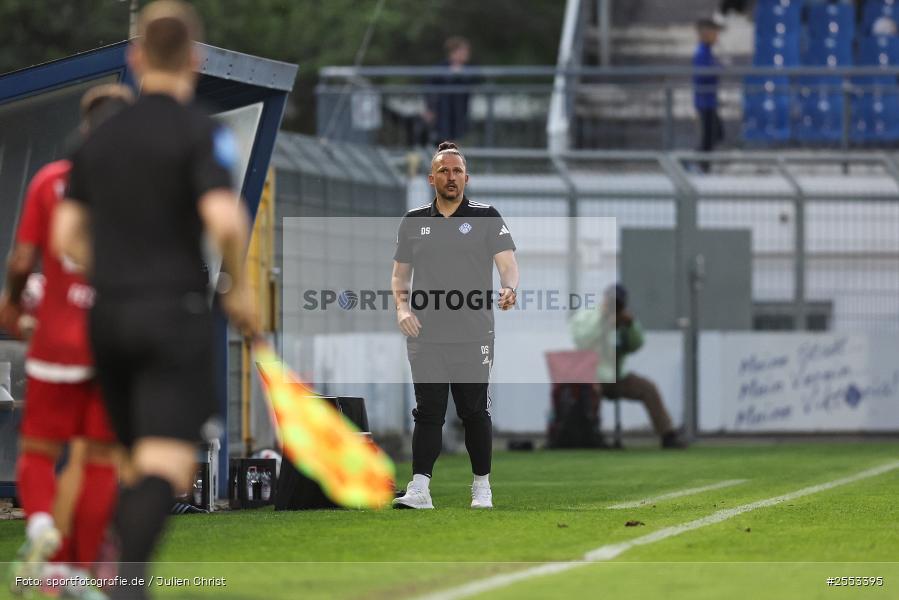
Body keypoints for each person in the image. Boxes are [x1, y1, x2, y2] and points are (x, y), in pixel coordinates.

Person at [52, 2, 258, 597]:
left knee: (132, 459)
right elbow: (224, 218)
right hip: (173, 315)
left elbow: (67, 237)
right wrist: (238, 285)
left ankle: (103, 575)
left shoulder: (96, 138)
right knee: (166, 465)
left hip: (109, 316)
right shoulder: (201, 132)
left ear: (135, 58)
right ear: (195, 60)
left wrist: (115, 268)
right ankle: (119, 583)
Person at [0, 83, 134, 598]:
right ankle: (80, 569)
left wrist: (12, 302)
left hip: (55, 338)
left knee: (37, 450)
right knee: (99, 459)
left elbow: (20, 260)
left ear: (84, 127)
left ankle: (40, 535)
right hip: (111, 342)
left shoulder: (52, 180)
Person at [392, 141, 519, 510]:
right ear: (432, 178)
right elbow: (400, 276)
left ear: (467, 177)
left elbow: (507, 263)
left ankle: (482, 487)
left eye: (457, 171)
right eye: (444, 171)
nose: (451, 177)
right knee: (428, 411)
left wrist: (510, 287)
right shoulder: (414, 221)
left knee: (473, 411)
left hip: (473, 332)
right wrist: (402, 310)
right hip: (425, 332)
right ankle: (419, 489)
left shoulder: (486, 216)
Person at [570, 284, 687, 449]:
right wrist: (604, 322)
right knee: (591, 392)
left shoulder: (623, 322)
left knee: (648, 388)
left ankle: (668, 435)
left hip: (618, 377)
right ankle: (590, 436)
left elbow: (636, 345)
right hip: (592, 377)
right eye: (611, 303)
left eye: (617, 305)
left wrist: (631, 326)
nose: (614, 308)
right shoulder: (587, 316)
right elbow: (582, 341)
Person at [423, 37, 477, 144]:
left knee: (457, 140)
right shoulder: (440, 67)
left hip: (460, 111)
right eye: (464, 51)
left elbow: (475, 81)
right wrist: (430, 108)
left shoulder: (469, 69)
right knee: (443, 140)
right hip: (443, 111)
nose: (467, 54)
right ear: (455, 52)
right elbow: (429, 88)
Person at [693, 18, 724, 171]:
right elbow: (702, 75)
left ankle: (702, 164)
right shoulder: (701, 52)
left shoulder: (707, 52)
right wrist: (716, 68)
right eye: (714, 33)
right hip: (704, 101)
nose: (717, 37)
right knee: (709, 137)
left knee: (715, 134)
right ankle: (699, 165)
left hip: (710, 100)